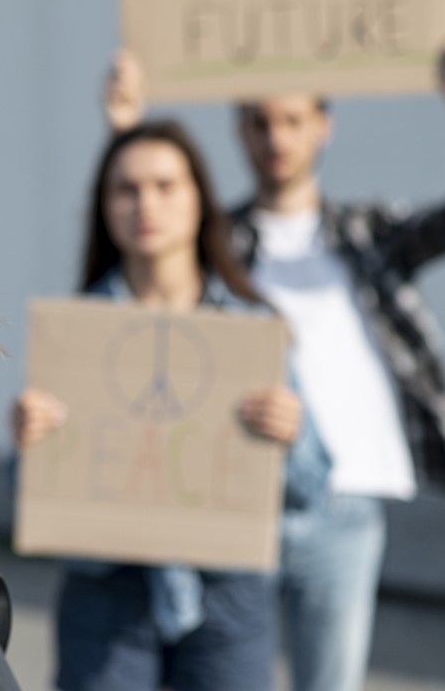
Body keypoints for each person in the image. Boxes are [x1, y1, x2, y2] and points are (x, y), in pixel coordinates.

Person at [106, 50, 445, 691]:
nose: (276, 138)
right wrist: (127, 130)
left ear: (324, 125)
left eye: (292, 120)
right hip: (236, 501)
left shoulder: (368, 234)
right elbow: (145, 240)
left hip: (345, 504)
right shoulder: (216, 244)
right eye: (259, 122)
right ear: (239, 130)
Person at [15, 120, 329, 691]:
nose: (145, 204)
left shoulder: (250, 330)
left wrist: (293, 434)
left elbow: (313, 486)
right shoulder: (73, 338)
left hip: (228, 592)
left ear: (199, 201)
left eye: (165, 186)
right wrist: (29, 443)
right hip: (105, 594)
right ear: (104, 206)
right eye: (126, 189)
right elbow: (27, 502)